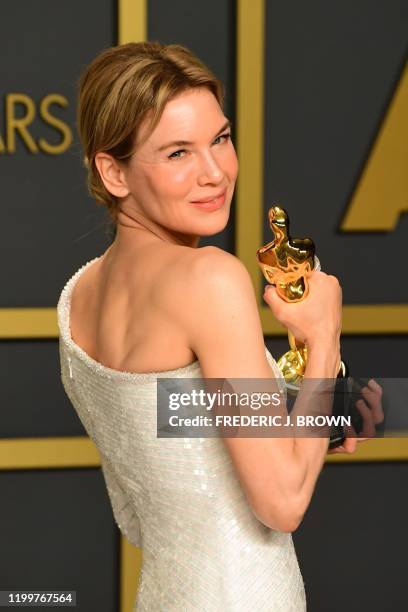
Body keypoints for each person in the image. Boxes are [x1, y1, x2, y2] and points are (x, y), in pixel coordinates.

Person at [57, 41, 382, 611]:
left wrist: (313, 407)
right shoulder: (209, 278)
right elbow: (281, 502)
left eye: (221, 139)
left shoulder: (78, 296)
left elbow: (154, 487)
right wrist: (325, 333)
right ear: (113, 172)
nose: (215, 173)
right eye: (178, 153)